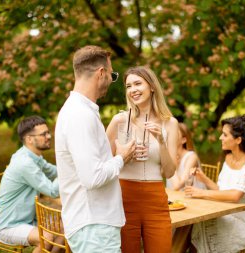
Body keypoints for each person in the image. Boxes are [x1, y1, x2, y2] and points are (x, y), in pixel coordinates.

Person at [55, 45, 135, 253]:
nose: (111, 79)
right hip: (93, 225)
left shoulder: (80, 110)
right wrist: (121, 157)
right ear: (101, 73)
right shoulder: (80, 115)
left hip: (93, 223)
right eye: (112, 74)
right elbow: (92, 178)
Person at [106, 66, 179, 253]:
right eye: (129, 86)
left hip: (156, 200)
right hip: (123, 197)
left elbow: (169, 172)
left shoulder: (170, 123)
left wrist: (161, 141)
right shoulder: (120, 120)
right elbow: (102, 163)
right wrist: (122, 156)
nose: (133, 90)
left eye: (138, 83)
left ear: (152, 86)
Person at [185, 114, 245, 253]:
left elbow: (235, 196)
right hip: (227, 214)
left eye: (225, 135)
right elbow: (222, 190)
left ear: (238, 139)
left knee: (203, 223)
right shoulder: (228, 158)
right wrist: (203, 179)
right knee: (198, 222)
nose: (220, 138)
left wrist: (201, 193)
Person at [0, 116, 63, 253]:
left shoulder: (34, 156)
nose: (49, 136)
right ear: (29, 139)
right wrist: (69, 167)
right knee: (46, 237)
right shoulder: (25, 163)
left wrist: (68, 170)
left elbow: (55, 172)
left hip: (29, 220)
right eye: (43, 134)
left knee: (65, 224)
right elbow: (53, 191)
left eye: (48, 132)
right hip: (9, 225)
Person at [166, 122, 205, 191]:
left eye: (175, 134)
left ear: (183, 140)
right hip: (172, 198)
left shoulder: (191, 157)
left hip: (193, 200)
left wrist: (171, 164)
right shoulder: (168, 154)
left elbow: (177, 187)